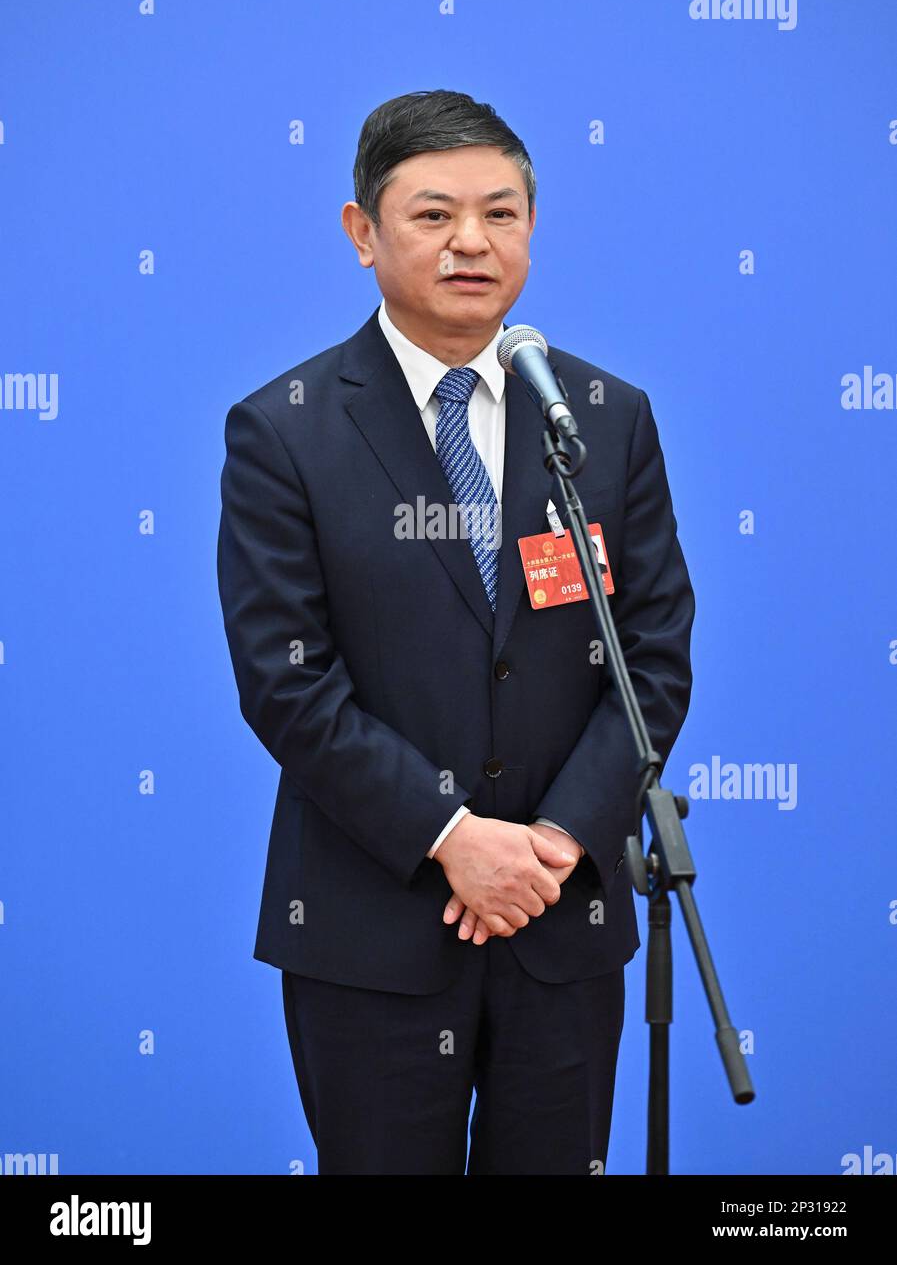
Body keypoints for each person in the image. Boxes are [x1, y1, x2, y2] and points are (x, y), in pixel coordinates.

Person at [216, 88, 695, 1175]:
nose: (472, 242)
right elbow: (287, 684)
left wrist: (557, 842)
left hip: (561, 920)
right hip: (375, 928)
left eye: (503, 213)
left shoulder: (603, 419)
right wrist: (455, 839)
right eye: (433, 215)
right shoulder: (285, 430)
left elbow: (651, 652)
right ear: (363, 232)